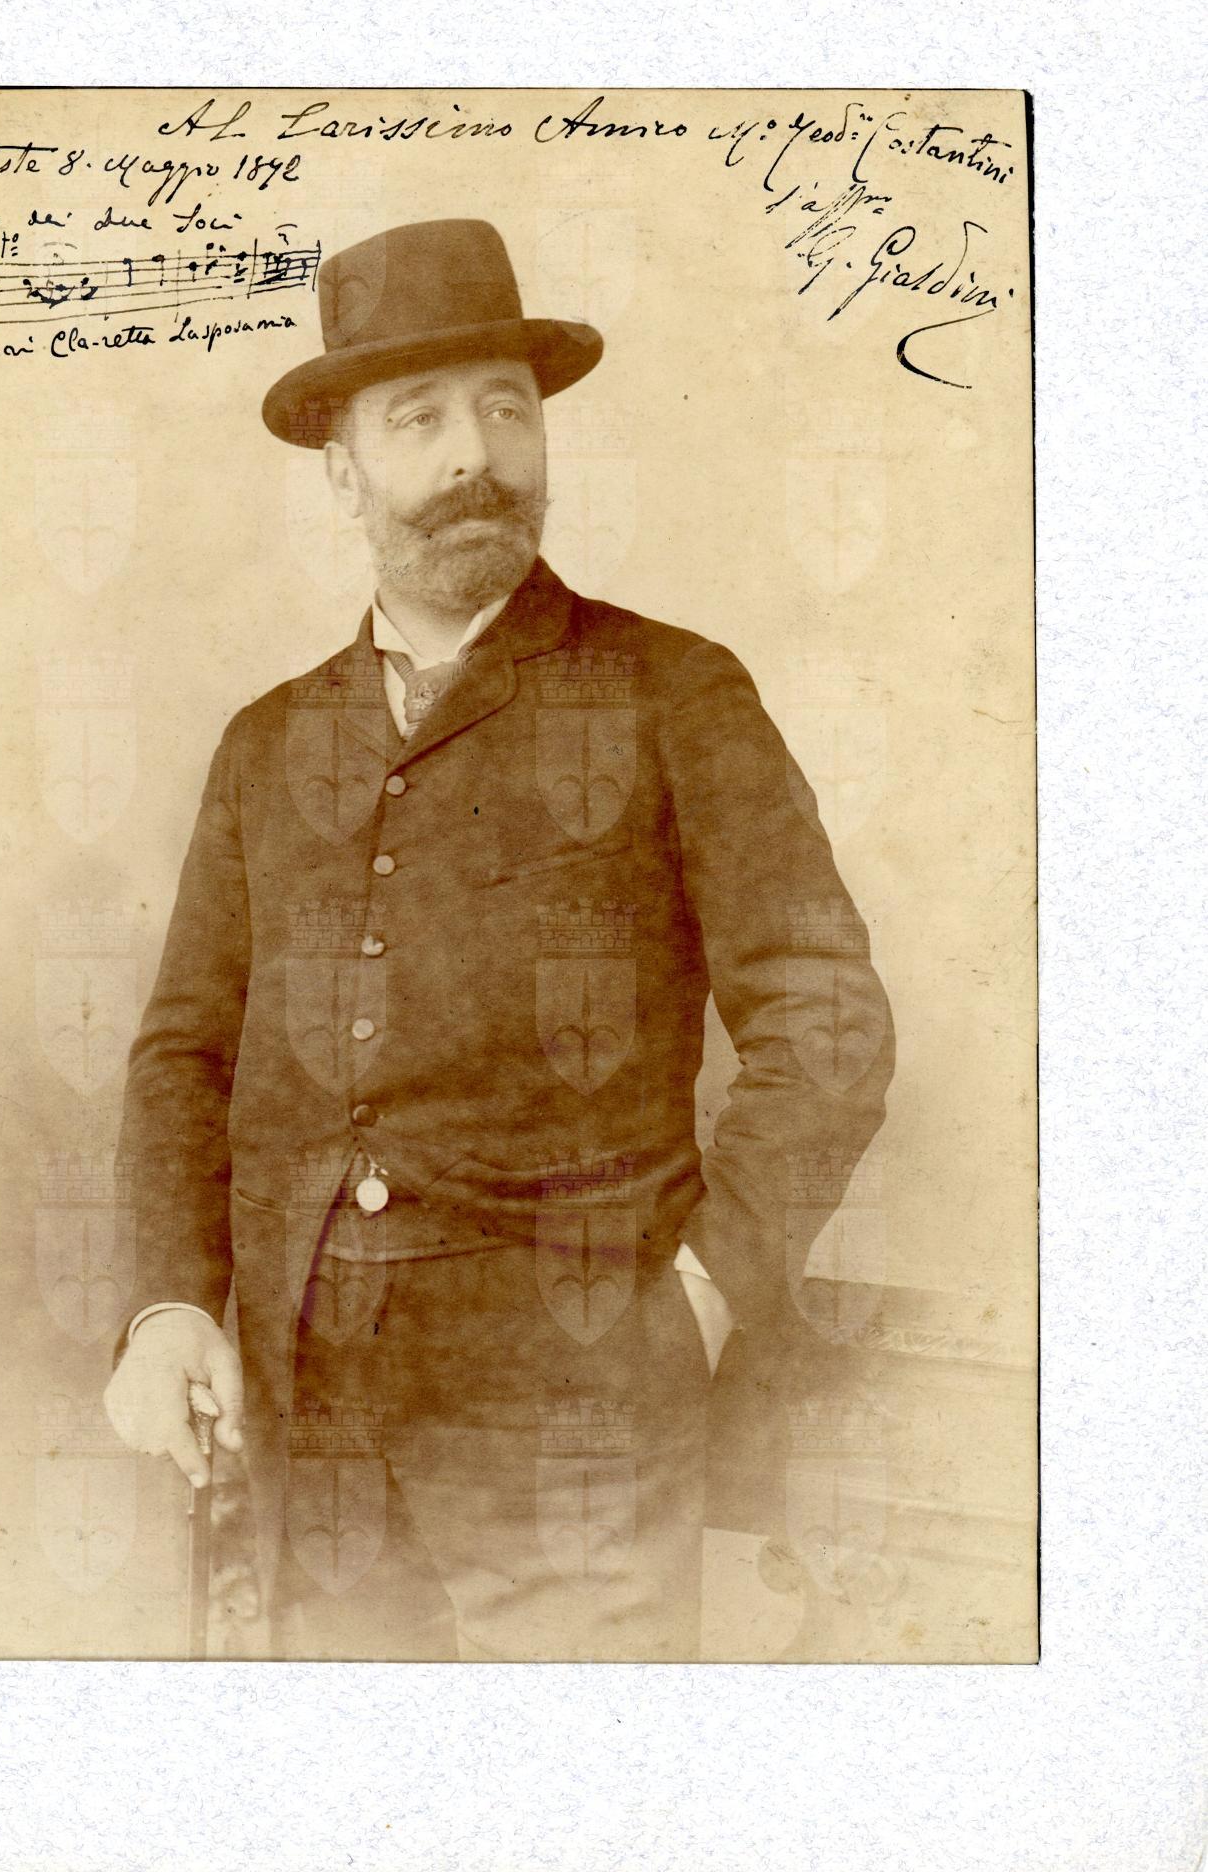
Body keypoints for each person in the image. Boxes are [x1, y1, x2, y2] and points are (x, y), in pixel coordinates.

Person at [103, 217, 895, 1659]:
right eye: (419, 419)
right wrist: (164, 1307)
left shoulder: (673, 693)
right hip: (307, 1414)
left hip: (579, 1425)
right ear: (342, 471)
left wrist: (707, 1296)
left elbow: (825, 1021)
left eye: (507, 409)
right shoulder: (268, 744)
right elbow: (184, 1057)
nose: (478, 455)